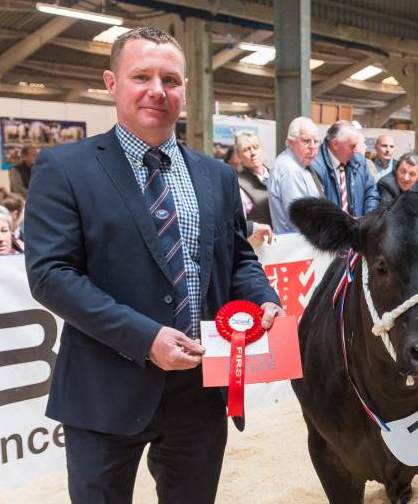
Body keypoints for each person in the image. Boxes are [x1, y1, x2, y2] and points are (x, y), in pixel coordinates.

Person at [24, 27, 283, 504]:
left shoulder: (218, 177)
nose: (157, 90)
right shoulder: (64, 168)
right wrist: (146, 339)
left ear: (186, 89)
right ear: (111, 83)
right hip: (105, 388)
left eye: (171, 79)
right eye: (141, 76)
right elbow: (51, 275)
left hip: (199, 392)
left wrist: (262, 296)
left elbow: (238, 257)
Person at [310, 121, 379, 217]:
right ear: (335, 144)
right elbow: (318, 209)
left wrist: (369, 221)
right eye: (352, 146)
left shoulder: (359, 161)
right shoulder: (315, 166)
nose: (356, 151)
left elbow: (371, 192)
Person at [268, 116, 322, 233]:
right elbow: (301, 221)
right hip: (298, 245)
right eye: (306, 141)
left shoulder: (300, 165)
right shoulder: (290, 169)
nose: (312, 147)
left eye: (316, 141)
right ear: (291, 142)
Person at [233, 131, 273, 244]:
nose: (253, 153)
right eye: (246, 149)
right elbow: (239, 223)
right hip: (258, 244)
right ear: (238, 156)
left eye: (256, 147)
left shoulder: (276, 175)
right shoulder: (238, 183)